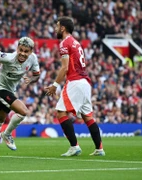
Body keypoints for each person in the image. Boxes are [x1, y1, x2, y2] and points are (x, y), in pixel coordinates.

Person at [45, 17, 105, 156]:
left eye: (57, 26)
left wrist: (54, 85)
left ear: (63, 28)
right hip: (85, 83)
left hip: (75, 81)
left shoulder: (64, 43)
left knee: (60, 112)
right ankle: (99, 148)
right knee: (88, 117)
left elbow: (65, 67)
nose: (55, 28)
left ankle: (74, 146)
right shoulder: (76, 42)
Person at [0, 37, 40, 158]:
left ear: (31, 51)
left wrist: (31, 79)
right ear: (17, 48)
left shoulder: (33, 59)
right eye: (21, 50)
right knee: (23, 111)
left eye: (26, 51)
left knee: (0, 119)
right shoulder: (8, 57)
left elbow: (36, 75)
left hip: (10, 90)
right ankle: (7, 134)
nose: (23, 53)